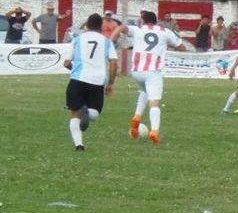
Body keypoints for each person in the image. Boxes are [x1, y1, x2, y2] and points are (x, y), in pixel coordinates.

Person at [112, 10, 185, 145]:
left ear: (144, 21)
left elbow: (121, 27)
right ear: (156, 21)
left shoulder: (137, 29)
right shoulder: (164, 31)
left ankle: (136, 119)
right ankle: (154, 132)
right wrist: (165, 44)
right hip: (152, 72)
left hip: (137, 72)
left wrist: (111, 39)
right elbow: (181, 47)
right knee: (154, 103)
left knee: (144, 91)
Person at [63, 13, 118, 151]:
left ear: (87, 25)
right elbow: (113, 62)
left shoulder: (77, 39)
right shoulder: (106, 41)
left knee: (74, 113)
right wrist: (110, 83)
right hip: (97, 81)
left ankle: (79, 145)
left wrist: (73, 69)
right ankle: (87, 112)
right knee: (95, 114)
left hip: (78, 79)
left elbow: (66, 63)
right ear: (101, 26)